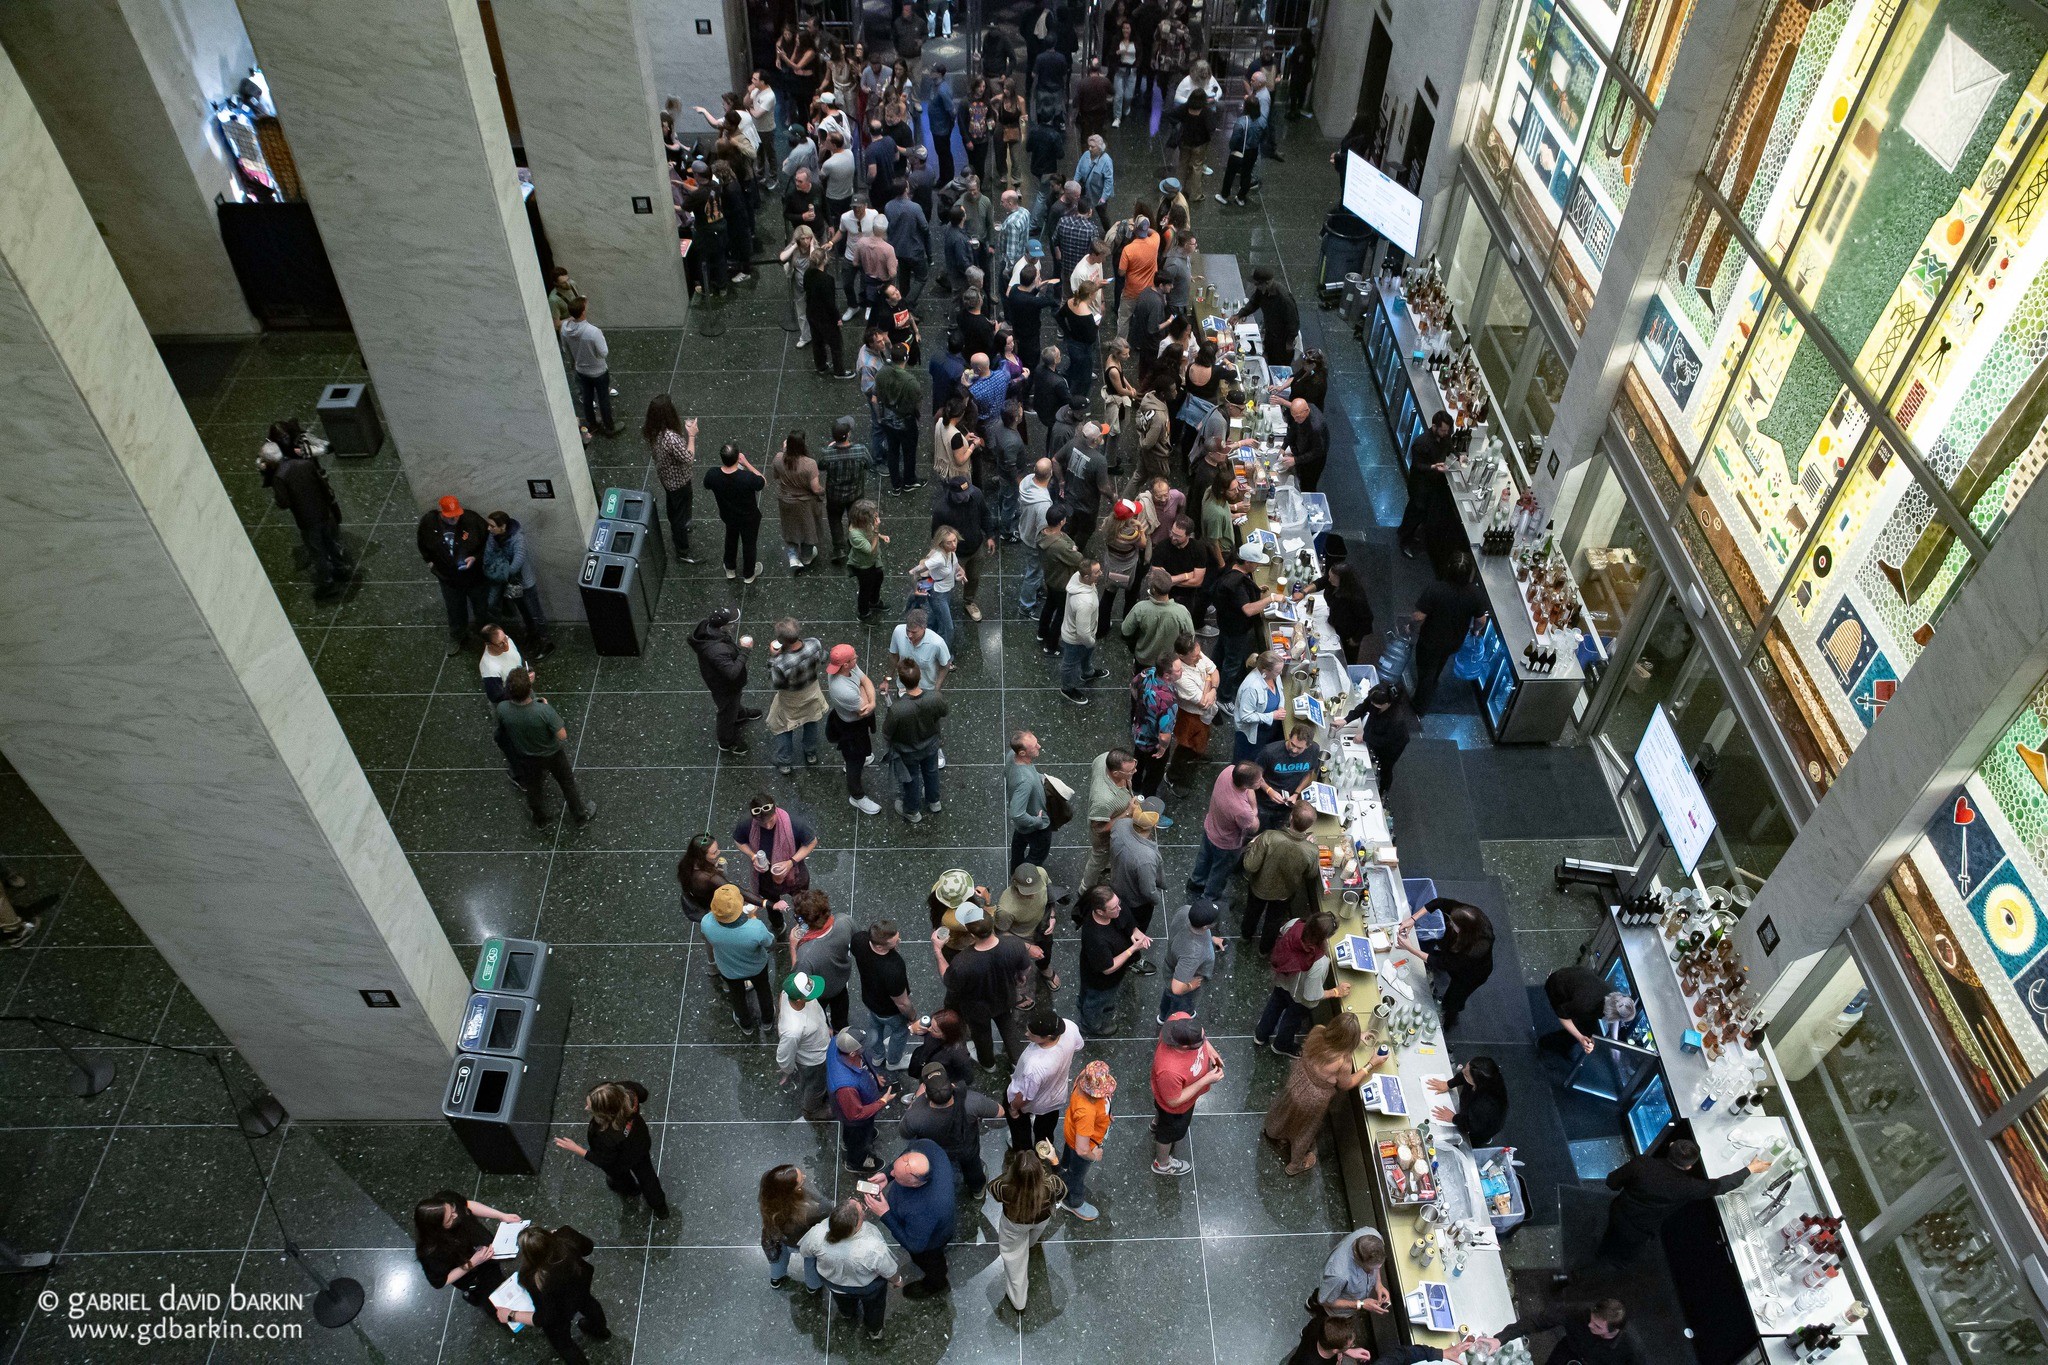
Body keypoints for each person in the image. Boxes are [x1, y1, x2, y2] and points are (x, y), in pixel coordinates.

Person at [1599, 1139, 1769, 1262]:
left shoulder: (1642, 1163)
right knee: (1628, 1251)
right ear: (1689, 1166)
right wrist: (1750, 1169)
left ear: (1671, 1146)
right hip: (1642, 1229)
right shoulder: (1690, 1186)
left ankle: (1603, 1249)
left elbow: (1611, 1182)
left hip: (1618, 1212)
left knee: (1611, 1234)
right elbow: (1722, 1185)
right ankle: (1618, 1263)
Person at [1263, 1015, 1372, 1176]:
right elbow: (1346, 1084)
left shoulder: (1318, 1031)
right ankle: (1295, 1165)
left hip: (1297, 1080)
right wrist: (1370, 1065)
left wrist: (1353, 1035)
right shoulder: (1343, 1061)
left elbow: (1334, 1041)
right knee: (1304, 1131)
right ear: (1350, 1042)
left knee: (1286, 1110)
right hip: (1313, 1099)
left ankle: (1274, 1132)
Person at [257, 424, 351, 599]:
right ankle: (342, 569)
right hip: (322, 512)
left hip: (307, 520)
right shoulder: (304, 464)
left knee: (318, 552)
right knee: (330, 542)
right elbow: (322, 485)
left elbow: (283, 503)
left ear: (270, 462)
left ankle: (328, 584)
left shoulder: (279, 477)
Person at [551, 1080, 669, 1216]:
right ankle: (660, 1208)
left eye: (590, 1107)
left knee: (620, 1178)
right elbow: (643, 1094)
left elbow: (604, 1161)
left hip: (620, 1162)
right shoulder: (629, 1091)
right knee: (648, 1178)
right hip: (640, 1145)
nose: (586, 1108)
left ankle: (632, 1190)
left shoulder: (604, 1135)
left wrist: (576, 1148)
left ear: (606, 1113)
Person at [497, 668, 595, 826]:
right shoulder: (543, 711)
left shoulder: (502, 709)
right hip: (552, 754)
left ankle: (540, 820)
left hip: (526, 757)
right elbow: (562, 735)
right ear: (529, 690)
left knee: (533, 788)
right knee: (567, 783)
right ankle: (580, 817)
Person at [935, 906, 1032, 1065]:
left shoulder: (962, 962)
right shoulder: (1015, 944)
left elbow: (949, 981)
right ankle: (1017, 1063)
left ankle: (988, 1064)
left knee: (981, 1036)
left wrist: (938, 950)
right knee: (1008, 1027)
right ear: (992, 925)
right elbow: (1025, 969)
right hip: (1005, 997)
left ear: (972, 934)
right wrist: (1020, 977)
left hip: (977, 1008)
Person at [499, 1225, 607, 1359]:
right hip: (580, 1288)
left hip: (560, 1311)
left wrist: (511, 1315)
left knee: (564, 1344)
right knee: (589, 1304)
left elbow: (544, 1317)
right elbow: (588, 1247)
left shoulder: (532, 1278)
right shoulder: (566, 1235)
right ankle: (601, 1331)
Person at [799, 1200, 902, 1341]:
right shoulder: (874, 1247)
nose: (864, 1212)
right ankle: (874, 1330)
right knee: (875, 1308)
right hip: (868, 1288)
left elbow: (805, 1251)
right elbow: (888, 1270)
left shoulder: (817, 1233)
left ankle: (847, 1314)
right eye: (862, 1212)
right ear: (854, 1226)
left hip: (834, 1284)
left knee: (842, 1300)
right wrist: (898, 1281)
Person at [865, 1140, 956, 1297]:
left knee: (931, 1262)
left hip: (930, 1243)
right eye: (895, 1169)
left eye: (897, 1176)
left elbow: (915, 1245)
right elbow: (905, 1155)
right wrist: (887, 1174)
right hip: (921, 1220)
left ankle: (937, 1284)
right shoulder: (926, 1147)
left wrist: (884, 1213)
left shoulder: (926, 1208)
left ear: (915, 1184)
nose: (893, 1174)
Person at [1257, 911, 1349, 1056]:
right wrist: (1336, 991)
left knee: (1273, 1007)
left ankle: (1260, 1035)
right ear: (1325, 937)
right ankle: (1281, 1045)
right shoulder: (1319, 962)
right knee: (1291, 1021)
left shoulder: (1294, 924)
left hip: (1281, 981)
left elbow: (1281, 933)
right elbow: (1311, 995)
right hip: (1299, 998)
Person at [988, 1141, 1066, 1310]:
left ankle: (1019, 1300)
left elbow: (992, 1188)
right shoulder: (1050, 1185)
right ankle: (1030, 1244)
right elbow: (1063, 1190)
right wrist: (1054, 1161)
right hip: (1041, 1220)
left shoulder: (1005, 1187)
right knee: (1033, 1238)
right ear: (1040, 1172)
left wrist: (1009, 1175)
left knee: (1013, 1256)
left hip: (1014, 1223)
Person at [1411, 552, 1491, 714]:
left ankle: (1420, 705)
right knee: (1440, 662)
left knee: (1425, 669)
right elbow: (1481, 620)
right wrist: (1475, 630)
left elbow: (1419, 616)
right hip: (1454, 640)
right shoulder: (1474, 593)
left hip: (1430, 639)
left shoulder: (1435, 589)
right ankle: (1433, 682)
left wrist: (1412, 627)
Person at [413, 1192, 520, 1310]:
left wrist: (501, 1215)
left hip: (486, 1257)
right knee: (491, 1300)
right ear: (437, 1228)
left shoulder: (447, 1199)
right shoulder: (431, 1252)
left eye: (453, 1209)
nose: (456, 1215)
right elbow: (441, 1281)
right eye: (449, 1219)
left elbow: (467, 1205)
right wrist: (473, 1262)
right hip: (475, 1276)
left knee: (497, 1279)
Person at [1403, 900, 1497, 1028]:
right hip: (1454, 954)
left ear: (1464, 930)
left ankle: (1449, 1020)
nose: (1449, 923)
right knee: (1440, 951)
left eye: (1453, 923)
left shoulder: (1476, 950)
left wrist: (1409, 948)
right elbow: (1438, 902)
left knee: (1453, 1000)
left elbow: (1443, 963)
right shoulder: (1466, 914)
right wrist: (1413, 919)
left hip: (1472, 975)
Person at [1243, 803, 1323, 954]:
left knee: (1252, 912)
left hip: (1259, 887)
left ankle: (1246, 936)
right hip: (1284, 893)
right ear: (1309, 826)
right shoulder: (1312, 851)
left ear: (1291, 817)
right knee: (1273, 922)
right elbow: (1311, 875)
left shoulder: (1269, 837)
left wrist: (1252, 844)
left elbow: (1250, 866)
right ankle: (1264, 950)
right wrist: (1310, 848)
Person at [1150, 1013, 1222, 1177]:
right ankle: (1162, 1163)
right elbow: (1173, 1101)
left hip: (1174, 1098)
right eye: (1200, 1044)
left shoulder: (1179, 1021)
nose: (1203, 1041)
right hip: (1175, 1109)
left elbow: (1202, 1035)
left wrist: (1210, 1050)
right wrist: (1206, 1079)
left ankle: (1156, 1123)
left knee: (1161, 1117)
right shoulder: (1169, 1070)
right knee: (1167, 1135)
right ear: (1184, 1047)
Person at [417, 495, 491, 654]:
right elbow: (422, 543)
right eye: (450, 517)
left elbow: (489, 542)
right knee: (454, 609)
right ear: (441, 512)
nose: (455, 519)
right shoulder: (429, 523)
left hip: (475, 577)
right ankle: (458, 635)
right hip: (448, 578)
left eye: (457, 515)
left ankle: (488, 637)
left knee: (482, 609)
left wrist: (476, 558)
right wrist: (430, 562)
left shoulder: (472, 520)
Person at [1005, 1006, 1085, 1151]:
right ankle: (1043, 1148)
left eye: (1032, 1033)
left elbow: (1026, 1096)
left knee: (1019, 1127)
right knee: (1046, 1128)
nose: (1026, 1033)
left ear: (1047, 1037)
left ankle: (1024, 1150)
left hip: (1032, 1101)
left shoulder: (1034, 1066)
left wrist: (1014, 1109)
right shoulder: (1069, 1027)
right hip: (1056, 1097)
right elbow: (1078, 1046)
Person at [702, 884, 778, 1034]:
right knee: (763, 991)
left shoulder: (706, 923)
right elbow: (771, 944)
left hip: (728, 970)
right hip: (757, 968)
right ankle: (767, 1021)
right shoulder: (755, 928)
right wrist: (752, 918)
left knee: (737, 996)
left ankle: (746, 1025)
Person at [879, 658, 948, 823]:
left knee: (911, 779)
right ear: (920, 676)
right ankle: (934, 801)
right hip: (931, 745)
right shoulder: (935, 698)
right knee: (931, 772)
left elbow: (887, 732)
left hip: (908, 751)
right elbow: (943, 712)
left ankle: (912, 810)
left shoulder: (897, 709)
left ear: (901, 682)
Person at [1077, 885, 1151, 1038]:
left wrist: (1134, 931)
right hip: (1101, 981)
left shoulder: (1114, 906)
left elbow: (1127, 918)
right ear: (1100, 911)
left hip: (1101, 971)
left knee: (1091, 997)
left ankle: (1085, 1004)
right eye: (1114, 907)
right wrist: (1132, 949)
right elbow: (1108, 968)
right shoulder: (1095, 937)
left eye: (1119, 903)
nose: (1119, 908)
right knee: (1096, 1001)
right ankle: (1091, 1025)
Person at [731, 792, 819, 918]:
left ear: (775, 810)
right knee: (772, 907)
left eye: (771, 820)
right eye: (762, 823)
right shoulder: (747, 823)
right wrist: (752, 856)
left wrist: (791, 862)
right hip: (765, 877)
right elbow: (739, 841)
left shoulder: (794, 823)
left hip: (795, 874)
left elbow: (812, 842)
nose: (767, 826)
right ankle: (778, 925)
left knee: (802, 902)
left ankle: (803, 920)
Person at [481, 510, 553, 656]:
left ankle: (545, 641)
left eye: (492, 526)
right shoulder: (493, 536)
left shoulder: (517, 539)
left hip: (524, 582)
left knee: (535, 612)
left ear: (503, 527)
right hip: (511, 583)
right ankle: (532, 634)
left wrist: (500, 571)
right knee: (524, 611)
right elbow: (488, 556)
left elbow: (517, 563)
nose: (488, 528)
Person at [823, 643, 883, 815]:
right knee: (853, 762)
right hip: (851, 728)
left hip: (854, 723)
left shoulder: (849, 667)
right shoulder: (843, 690)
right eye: (854, 658)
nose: (857, 659)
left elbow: (866, 682)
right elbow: (864, 710)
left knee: (861, 752)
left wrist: (869, 699)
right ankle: (857, 797)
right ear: (845, 664)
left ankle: (859, 760)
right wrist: (869, 700)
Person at [690, 607, 758, 755]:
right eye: (731, 622)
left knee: (733, 702)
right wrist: (745, 651)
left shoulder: (708, 629)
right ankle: (726, 742)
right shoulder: (717, 650)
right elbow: (732, 673)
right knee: (726, 713)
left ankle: (740, 714)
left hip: (722, 682)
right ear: (722, 626)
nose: (733, 625)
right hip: (724, 686)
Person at [1054, 1060, 1116, 1220]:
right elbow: (1082, 1150)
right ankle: (1073, 1202)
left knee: (1068, 1160)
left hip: (1072, 1134)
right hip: (1083, 1145)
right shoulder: (1086, 1111)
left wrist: (1106, 1115)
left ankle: (1064, 1169)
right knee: (1077, 1175)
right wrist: (1094, 1156)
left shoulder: (1084, 1077)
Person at [828, 1030, 896, 1173]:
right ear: (853, 1053)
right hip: (857, 1119)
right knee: (858, 1140)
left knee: (856, 1133)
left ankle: (851, 1141)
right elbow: (855, 1115)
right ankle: (856, 1162)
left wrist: (874, 1075)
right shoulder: (846, 1086)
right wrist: (882, 1101)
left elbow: (863, 1060)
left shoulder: (838, 1042)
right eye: (863, 1046)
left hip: (858, 1102)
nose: (866, 1047)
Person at [766, 619, 829, 774]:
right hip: (812, 692)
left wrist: (773, 658)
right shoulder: (814, 644)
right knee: (811, 719)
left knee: (783, 727)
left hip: (790, 700)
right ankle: (811, 754)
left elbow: (776, 684)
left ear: (780, 641)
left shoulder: (780, 662)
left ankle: (785, 762)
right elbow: (824, 657)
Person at [1495, 1300, 1645, 1365]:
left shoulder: (1631, 1347)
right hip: (1568, 1352)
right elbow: (1539, 1321)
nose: (1589, 1325)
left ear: (1614, 1330)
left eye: (1597, 1326)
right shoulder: (1581, 1312)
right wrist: (1500, 1339)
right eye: (1591, 1320)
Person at [1192, 761, 1261, 901]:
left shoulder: (1228, 771)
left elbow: (1248, 790)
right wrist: (1254, 810)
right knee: (1220, 872)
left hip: (1210, 828)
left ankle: (1195, 883)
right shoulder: (1242, 810)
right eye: (1259, 780)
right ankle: (1209, 897)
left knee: (1203, 859)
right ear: (1246, 785)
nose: (1262, 782)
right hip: (1226, 844)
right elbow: (1254, 827)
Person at [791, 889, 855, 1031]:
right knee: (841, 1016)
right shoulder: (844, 921)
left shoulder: (805, 953)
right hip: (840, 983)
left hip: (819, 993)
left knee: (819, 1019)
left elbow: (798, 983)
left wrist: (793, 946)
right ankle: (841, 1031)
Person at [645, 399, 700, 562]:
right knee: (680, 515)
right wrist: (691, 435)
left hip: (667, 479)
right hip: (679, 481)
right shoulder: (671, 438)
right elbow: (688, 458)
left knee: (675, 508)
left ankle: (681, 527)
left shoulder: (653, 431)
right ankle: (682, 550)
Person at [1399, 411, 1459, 561]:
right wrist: (1433, 467)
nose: (1446, 433)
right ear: (1434, 426)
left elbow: (1450, 447)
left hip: (1432, 484)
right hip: (1420, 485)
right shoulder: (1422, 443)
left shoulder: (1445, 437)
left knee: (1423, 512)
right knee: (1414, 512)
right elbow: (1417, 466)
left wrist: (1459, 455)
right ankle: (1404, 539)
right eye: (1443, 430)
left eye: (1447, 431)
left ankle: (1410, 534)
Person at [704, 442, 767, 583]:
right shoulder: (747, 478)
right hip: (749, 518)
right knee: (749, 544)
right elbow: (762, 482)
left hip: (728, 516)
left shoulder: (712, 475)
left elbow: (706, 485)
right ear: (738, 457)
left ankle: (730, 568)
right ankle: (749, 574)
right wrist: (746, 463)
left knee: (731, 539)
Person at [758, 1165, 828, 1291]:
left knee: (778, 1258)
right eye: (801, 1181)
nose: (805, 1178)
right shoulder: (807, 1212)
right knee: (811, 1261)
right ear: (791, 1190)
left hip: (776, 1237)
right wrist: (805, 1190)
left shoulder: (767, 1186)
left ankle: (776, 1278)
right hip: (803, 1240)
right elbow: (827, 1207)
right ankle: (813, 1286)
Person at [1109, 797, 1169, 942]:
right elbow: (1148, 891)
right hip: (1136, 904)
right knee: (1135, 933)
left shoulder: (1121, 824)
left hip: (1116, 885)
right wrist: (1156, 900)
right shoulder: (1146, 858)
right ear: (1154, 824)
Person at [775, 970, 835, 1116]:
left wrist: (825, 1027)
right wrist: (787, 1070)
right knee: (815, 1087)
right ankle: (812, 1109)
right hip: (814, 1061)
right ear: (800, 1000)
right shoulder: (792, 1029)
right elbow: (784, 1054)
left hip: (822, 1041)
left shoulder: (788, 994)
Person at [560, 298, 617, 441]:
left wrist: (574, 363)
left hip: (581, 370)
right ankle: (609, 426)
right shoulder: (593, 332)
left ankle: (592, 423)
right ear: (583, 311)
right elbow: (603, 352)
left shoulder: (565, 329)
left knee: (587, 397)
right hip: (598, 371)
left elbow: (565, 349)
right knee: (603, 398)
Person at [1081, 747, 1138, 889]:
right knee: (1098, 859)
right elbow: (1099, 829)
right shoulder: (1104, 800)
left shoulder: (1104, 757)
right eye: (1131, 771)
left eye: (1134, 766)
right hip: (1104, 838)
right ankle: (1085, 888)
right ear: (1116, 773)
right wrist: (1127, 812)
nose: (1135, 771)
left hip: (1113, 815)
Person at [1161, 896, 1222, 1023]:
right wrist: (1191, 985)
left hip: (1170, 967)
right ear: (1205, 926)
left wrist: (1210, 939)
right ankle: (1173, 1022)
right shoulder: (1193, 952)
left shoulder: (1185, 911)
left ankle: (1162, 1015)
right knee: (1181, 1008)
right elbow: (1177, 988)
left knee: (1168, 996)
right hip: (1186, 981)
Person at [1121, 566, 1195, 670]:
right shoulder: (1181, 612)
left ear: (1153, 589)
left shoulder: (1140, 608)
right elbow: (1190, 637)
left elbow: (1125, 631)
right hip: (1169, 663)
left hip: (1144, 660)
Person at [1348, 681, 1414, 793]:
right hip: (1377, 730)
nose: (1372, 705)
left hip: (1393, 744)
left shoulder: (1397, 719)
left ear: (1387, 703)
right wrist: (1346, 719)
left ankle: (1383, 791)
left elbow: (1385, 740)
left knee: (1386, 768)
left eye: (1375, 704)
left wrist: (1365, 737)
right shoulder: (1376, 695)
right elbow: (1363, 707)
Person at [1427, 1056, 1510, 1146]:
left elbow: (1471, 1125)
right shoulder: (1482, 1075)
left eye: (1466, 1074)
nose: (1463, 1071)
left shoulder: (1485, 1106)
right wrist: (1449, 1084)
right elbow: (1465, 1074)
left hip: (1484, 1125)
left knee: (1475, 1139)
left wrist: (1453, 1118)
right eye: (1466, 1067)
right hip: (1475, 1110)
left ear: (1477, 1083)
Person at [1035, 507, 1086, 653]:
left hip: (1050, 579)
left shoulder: (1043, 532)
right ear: (1061, 521)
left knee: (1049, 606)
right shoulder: (1059, 545)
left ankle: (1042, 633)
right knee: (1061, 615)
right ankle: (1051, 646)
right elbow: (1078, 559)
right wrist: (1073, 549)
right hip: (1062, 582)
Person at [1129, 658, 1181, 798]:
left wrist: (1142, 707)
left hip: (1139, 731)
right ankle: (1147, 801)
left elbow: (1133, 686)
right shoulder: (1168, 701)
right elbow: (1164, 735)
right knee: (1154, 774)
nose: (1182, 671)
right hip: (1153, 743)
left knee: (1137, 761)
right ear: (1167, 675)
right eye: (1178, 670)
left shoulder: (1148, 672)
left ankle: (1134, 785)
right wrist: (1163, 748)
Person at [1315, 1226, 1392, 1321]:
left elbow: (1376, 1264)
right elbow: (1324, 1300)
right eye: (1373, 1268)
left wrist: (1378, 1284)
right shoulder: (1338, 1275)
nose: (1377, 1269)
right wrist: (1360, 1304)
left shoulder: (1373, 1235)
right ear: (1359, 1262)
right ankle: (1312, 1306)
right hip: (1335, 1312)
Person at [1255, 725, 1323, 830]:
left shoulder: (1314, 749)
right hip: (1265, 803)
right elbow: (1255, 776)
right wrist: (1269, 790)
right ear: (1289, 737)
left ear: (1308, 746)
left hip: (1288, 804)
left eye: (1300, 748)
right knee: (1259, 828)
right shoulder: (1269, 752)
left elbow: (1309, 773)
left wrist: (1296, 793)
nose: (1294, 750)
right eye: (1293, 744)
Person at [1540, 963, 1616, 1056]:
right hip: (1555, 987)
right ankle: (1545, 1044)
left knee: (1589, 1029)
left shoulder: (1611, 996)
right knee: (1580, 1028)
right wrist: (1580, 1037)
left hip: (1568, 977)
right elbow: (1562, 1016)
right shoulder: (1584, 1004)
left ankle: (1564, 1046)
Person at [1059, 558, 1107, 704]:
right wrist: (1091, 642)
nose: (1101, 573)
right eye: (1097, 572)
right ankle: (1067, 689)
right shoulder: (1084, 603)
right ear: (1086, 577)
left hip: (1081, 636)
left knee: (1086, 655)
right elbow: (1082, 633)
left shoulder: (1077, 577)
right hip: (1077, 640)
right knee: (1069, 665)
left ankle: (1087, 673)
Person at [1006, 730, 1053, 871]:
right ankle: (1024, 878)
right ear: (1022, 753)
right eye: (1034, 746)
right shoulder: (1025, 781)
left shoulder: (1011, 756)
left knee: (1018, 847)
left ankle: (1015, 871)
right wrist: (1037, 821)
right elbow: (1017, 814)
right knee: (1036, 856)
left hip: (1025, 826)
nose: (1039, 746)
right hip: (1036, 825)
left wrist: (1038, 777)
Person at [1235, 265, 1300, 368]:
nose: (1256, 287)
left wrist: (1289, 341)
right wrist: (1240, 314)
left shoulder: (1284, 298)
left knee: (1278, 365)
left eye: (1257, 284)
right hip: (1270, 332)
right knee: (1268, 356)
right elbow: (1254, 302)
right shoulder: (1262, 290)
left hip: (1282, 340)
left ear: (1267, 283)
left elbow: (1293, 322)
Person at [1235, 651, 1286, 762]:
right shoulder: (1252, 687)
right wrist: (1272, 716)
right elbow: (1246, 716)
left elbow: (1280, 692)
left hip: (1269, 728)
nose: (1280, 673)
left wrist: (1281, 706)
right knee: (1246, 760)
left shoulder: (1274, 676)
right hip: (1254, 732)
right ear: (1265, 671)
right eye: (1278, 671)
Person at [847, 500, 888, 619]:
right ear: (863, 517)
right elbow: (870, 550)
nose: (875, 515)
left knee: (878, 579)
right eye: (872, 514)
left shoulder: (865, 523)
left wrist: (880, 535)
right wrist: (876, 530)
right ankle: (863, 612)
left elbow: (871, 532)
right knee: (865, 588)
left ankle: (874, 602)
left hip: (874, 561)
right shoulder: (855, 534)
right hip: (863, 566)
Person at [675, 833, 731, 921]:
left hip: (697, 899)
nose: (719, 852)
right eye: (714, 853)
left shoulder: (686, 864)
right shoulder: (707, 877)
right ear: (702, 856)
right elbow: (731, 889)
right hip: (708, 905)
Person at [1282, 396, 1329, 492]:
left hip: (1314, 461)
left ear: (1307, 411)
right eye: (1293, 416)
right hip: (1303, 446)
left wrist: (1296, 460)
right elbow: (1293, 429)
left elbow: (1317, 452)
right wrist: (1284, 446)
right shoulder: (1299, 415)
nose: (1295, 420)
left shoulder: (1316, 428)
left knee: (1308, 484)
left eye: (1297, 417)